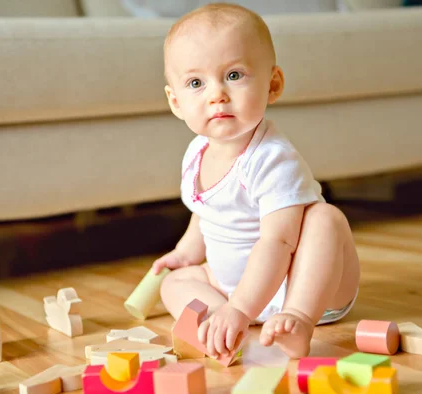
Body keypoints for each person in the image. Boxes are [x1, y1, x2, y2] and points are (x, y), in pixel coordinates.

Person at [151, 2, 360, 359]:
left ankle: (297, 323)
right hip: (234, 290)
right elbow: (207, 211)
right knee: (174, 284)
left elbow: (278, 241)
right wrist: (187, 252)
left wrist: (245, 307)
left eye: (234, 75)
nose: (217, 94)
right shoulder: (196, 152)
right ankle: (219, 323)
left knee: (326, 219)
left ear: (272, 85)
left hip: (304, 287)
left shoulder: (272, 158)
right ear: (176, 102)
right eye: (196, 83)